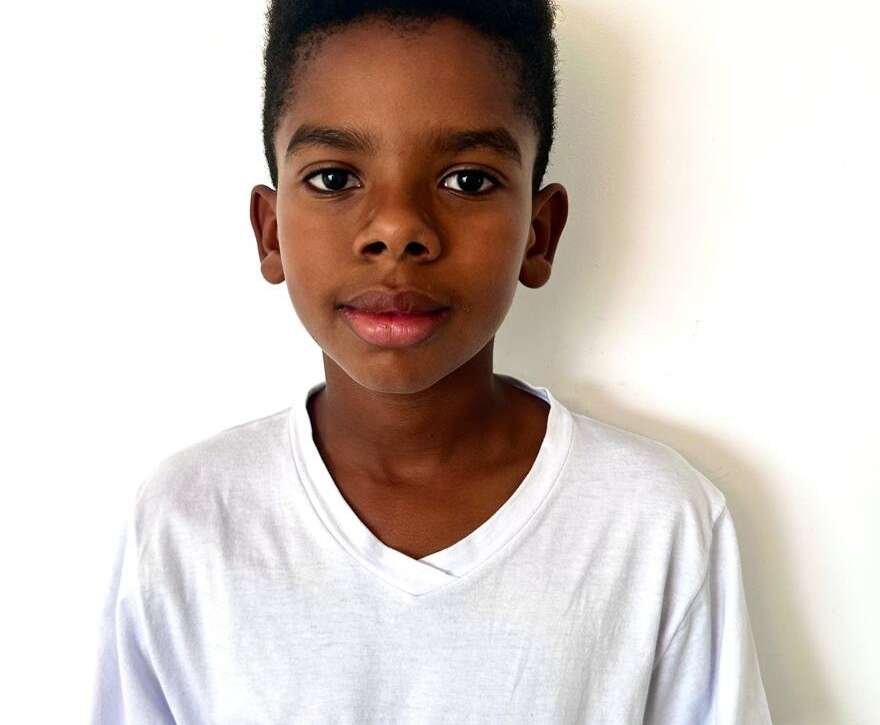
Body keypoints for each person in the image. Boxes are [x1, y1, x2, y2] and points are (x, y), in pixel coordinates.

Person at [90, 1, 773, 722]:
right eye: (334, 179)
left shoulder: (653, 524)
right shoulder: (186, 523)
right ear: (270, 232)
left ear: (539, 234)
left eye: (467, 181)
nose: (397, 229)